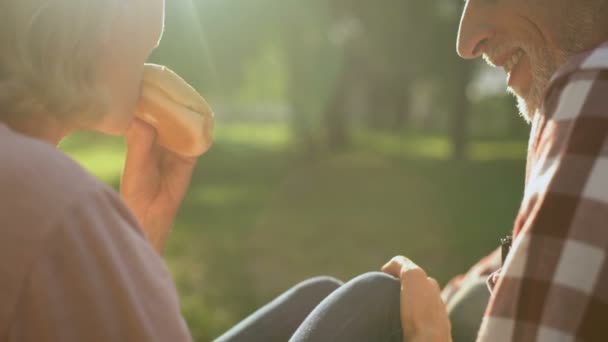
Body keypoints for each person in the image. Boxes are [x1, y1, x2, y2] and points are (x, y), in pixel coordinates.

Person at [0, 1, 446, 341]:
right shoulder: (58, 205)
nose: (159, 27)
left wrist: (136, 240)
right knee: (379, 301)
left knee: (317, 296)